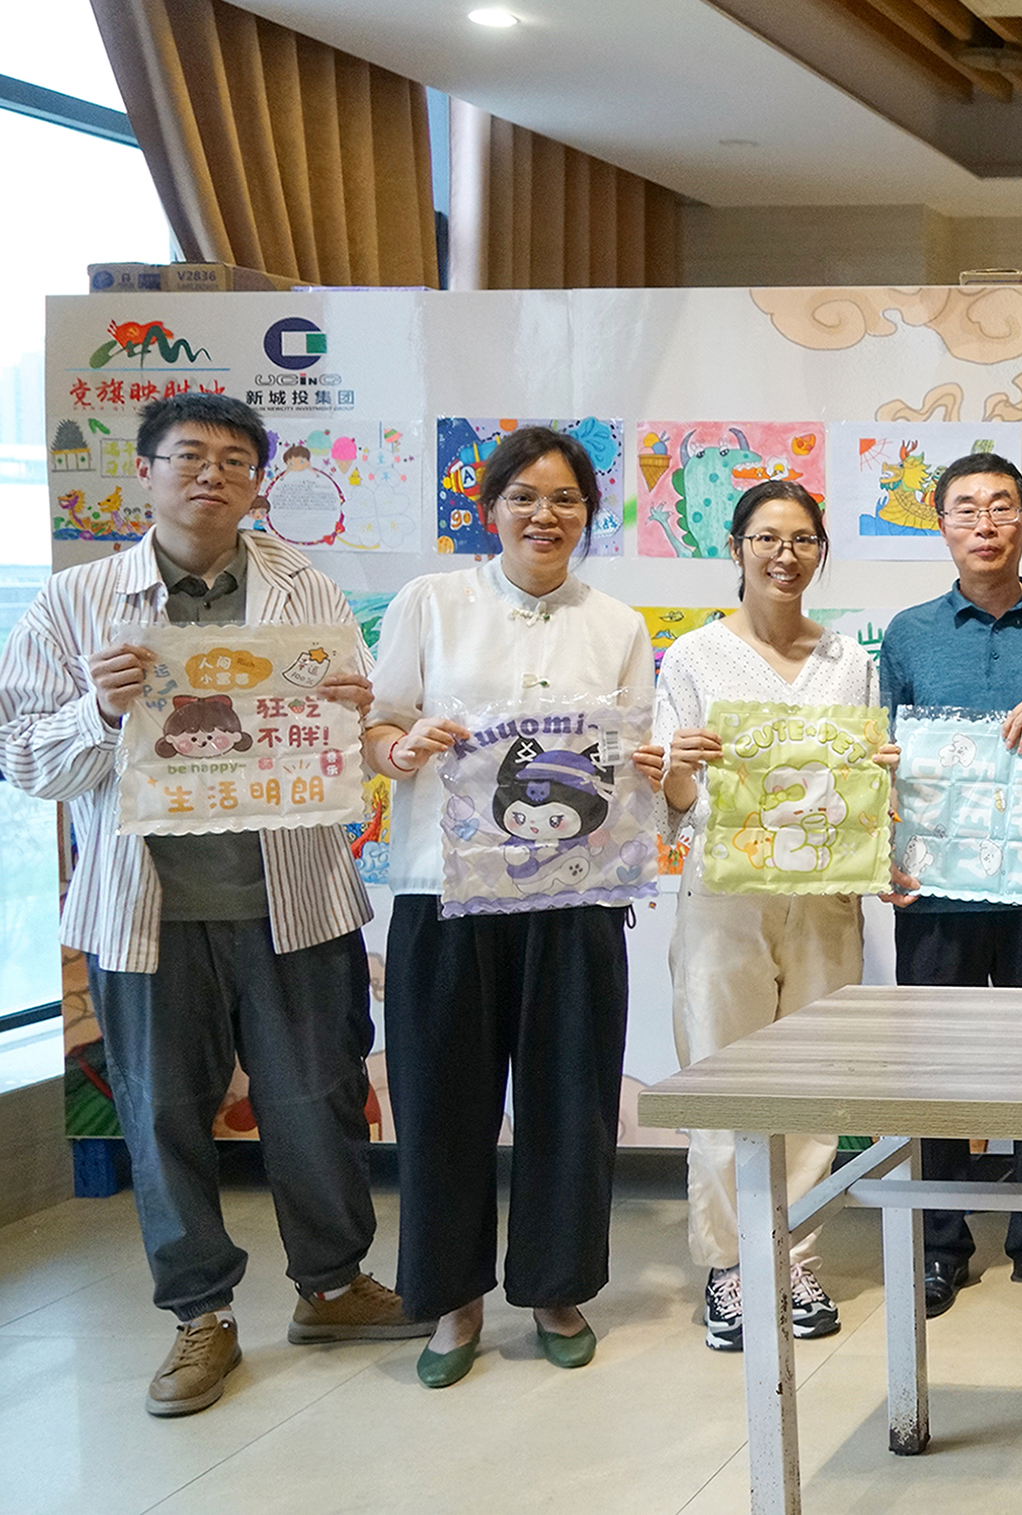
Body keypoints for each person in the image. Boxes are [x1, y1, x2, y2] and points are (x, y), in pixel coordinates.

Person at [0, 394, 425, 1420]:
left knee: (319, 1097)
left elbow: (346, 728)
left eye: (235, 461)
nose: (211, 475)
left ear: (257, 484)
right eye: (188, 456)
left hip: (296, 898)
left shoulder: (305, 589)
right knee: (161, 1115)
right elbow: (23, 760)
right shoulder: (76, 601)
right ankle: (200, 1313)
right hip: (143, 912)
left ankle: (331, 1285)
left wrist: (348, 714)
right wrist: (101, 710)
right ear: (145, 473)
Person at [362, 424, 664, 1388]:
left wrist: (652, 768)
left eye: (566, 498)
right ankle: (452, 1298)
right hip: (443, 892)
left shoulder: (618, 624)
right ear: (489, 508)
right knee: (440, 1100)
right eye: (524, 496)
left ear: (589, 514)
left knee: (571, 1100)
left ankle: (555, 1287)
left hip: (574, 898)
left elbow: (635, 757)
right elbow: (379, 724)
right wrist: (399, 749)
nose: (545, 514)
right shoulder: (430, 602)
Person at [656, 480, 886, 1353]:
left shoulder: (848, 659)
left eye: (801, 539)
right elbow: (676, 799)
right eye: (766, 538)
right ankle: (731, 1263)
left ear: (820, 550)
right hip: (727, 894)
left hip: (825, 895)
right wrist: (680, 766)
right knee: (724, 1076)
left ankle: (793, 1256)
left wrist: (880, 780)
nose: (784, 555)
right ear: (736, 547)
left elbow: (861, 780)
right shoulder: (693, 656)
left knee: (814, 1082)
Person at [876, 451, 1022, 1321]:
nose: (985, 523)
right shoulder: (908, 632)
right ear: (941, 526)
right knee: (937, 1070)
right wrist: (880, 848)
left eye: (1002, 507)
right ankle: (940, 1242)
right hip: (933, 890)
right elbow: (880, 754)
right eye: (965, 508)